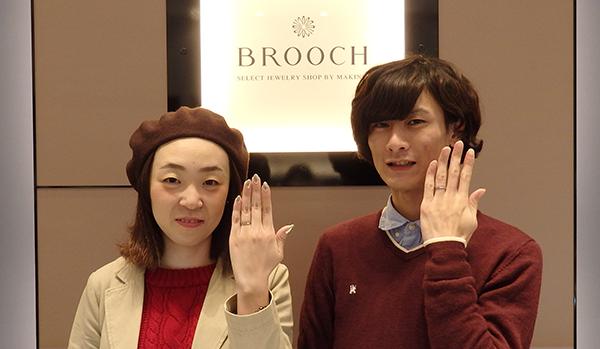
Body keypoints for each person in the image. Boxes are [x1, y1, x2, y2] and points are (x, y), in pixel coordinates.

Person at [298, 55, 543, 349]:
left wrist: (447, 249)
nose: (395, 142)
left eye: (414, 122)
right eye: (380, 124)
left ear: (455, 129)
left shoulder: (511, 253)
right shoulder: (338, 245)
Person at [68, 106, 294, 349]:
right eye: (172, 180)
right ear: (147, 188)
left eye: (210, 182)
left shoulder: (268, 280)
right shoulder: (103, 285)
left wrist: (251, 290)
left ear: (229, 193)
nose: (191, 201)